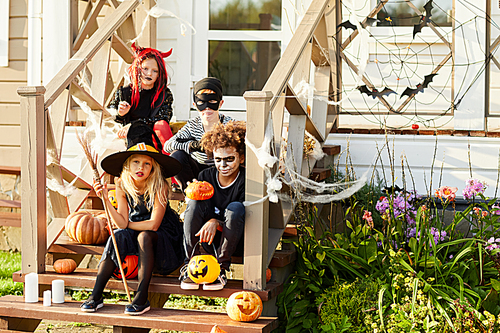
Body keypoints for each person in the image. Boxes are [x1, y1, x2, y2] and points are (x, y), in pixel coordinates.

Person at [81, 122, 184, 315]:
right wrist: (105, 198)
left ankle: (141, 296)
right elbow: (120, 223)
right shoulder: (122, 184)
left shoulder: (159, 185)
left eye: (147, 163)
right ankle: (96, 295)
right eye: (136, 162)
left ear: (153, 167)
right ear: (127, 165)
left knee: (144, 236)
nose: (141, 167)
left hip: (163, 238)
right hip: (135, 228)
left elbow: (154, 225)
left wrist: (127, 225)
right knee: (117, 237)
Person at [179, 121, 246, 291]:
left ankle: (221, 269)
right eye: (218, 159)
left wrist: (216, 222)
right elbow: (200, 209)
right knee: (194, 202)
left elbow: (242, 217)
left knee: (235, 208)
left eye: (229, 159)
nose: (223, 165)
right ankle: (190, 265)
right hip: (207, 238)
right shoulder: (205, 176)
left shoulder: (246, 181)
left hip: (235, 238)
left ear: (241, 157)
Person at [163, 77, 234, 192]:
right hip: (197, 171)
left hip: (221, 170)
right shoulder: (193, 125)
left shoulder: (229, 125)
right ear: (195, 105)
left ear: (220, 103)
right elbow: (168, 145)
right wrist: (192, 146)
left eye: (212, 102)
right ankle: (190, 193)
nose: (207, 108)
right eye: (201, 102)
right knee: (177, 156)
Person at [108, 43, 174, 144]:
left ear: (159, 74)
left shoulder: (164, 94)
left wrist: (133, 125)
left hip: (154, 137)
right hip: (130, 139)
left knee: (161, 125)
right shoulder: (124, 93)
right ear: (137, 69)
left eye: (154, 71)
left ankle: (170, 158)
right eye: (145, 68)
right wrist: (120, 114)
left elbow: (163, 118)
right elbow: (111, 119)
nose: (149, 74)